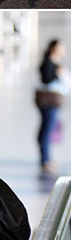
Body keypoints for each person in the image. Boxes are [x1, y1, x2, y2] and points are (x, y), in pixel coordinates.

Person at [36, 37, 70, 173]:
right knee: (47, 129)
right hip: (48, 102)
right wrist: (58, 72)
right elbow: (46, 78)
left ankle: (47, 158)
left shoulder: (54, 62)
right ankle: (45, 160)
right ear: (54, 48)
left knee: (48, 128)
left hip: (51, 102)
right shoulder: (49, 63)